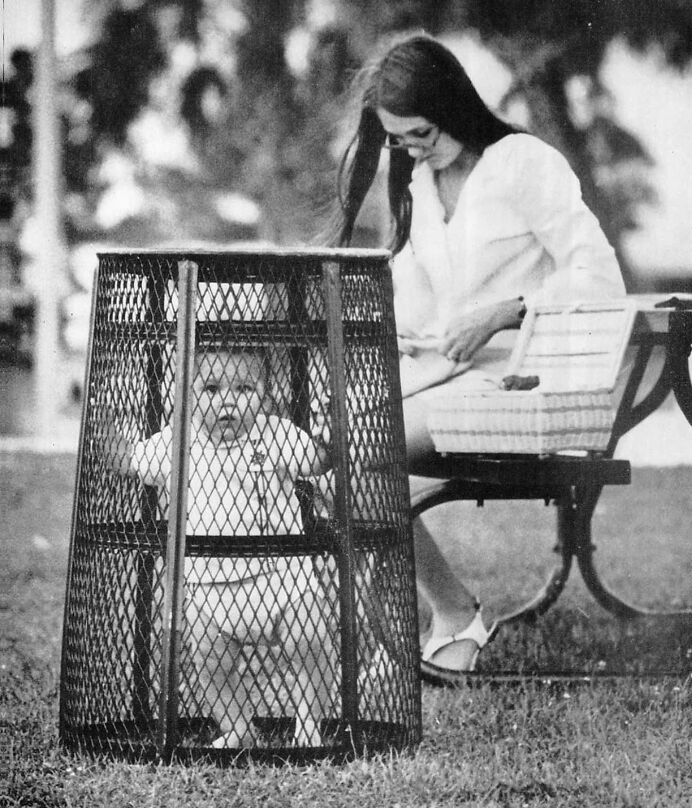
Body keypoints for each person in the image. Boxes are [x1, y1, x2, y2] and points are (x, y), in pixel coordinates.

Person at [332, 33, 626, 684]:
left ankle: (452, 614)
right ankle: (417, 622)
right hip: (449, 379)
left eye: (420, 132)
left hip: (527, 386)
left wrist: (506, 309)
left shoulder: (521, 163)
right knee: (326, 451)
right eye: (398, 139)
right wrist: (403, 331)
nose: (410, 147)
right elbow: (422, 301)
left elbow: (600, 277)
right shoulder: (422, 186)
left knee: (359, 454)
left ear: (454, 105)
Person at [104, 346, 335, 747]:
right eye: (211, 388)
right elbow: (130, 461)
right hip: (210, 588)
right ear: (189, 396)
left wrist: (329, 433)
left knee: (309, 639)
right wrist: (102, 420)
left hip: (281, 579)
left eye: (244, 388)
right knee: (212, 662)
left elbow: (316, 461)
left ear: (265, 396)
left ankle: (309, 727)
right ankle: (238, 728)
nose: (227, 399)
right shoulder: (179, 440)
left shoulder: (276, 433)